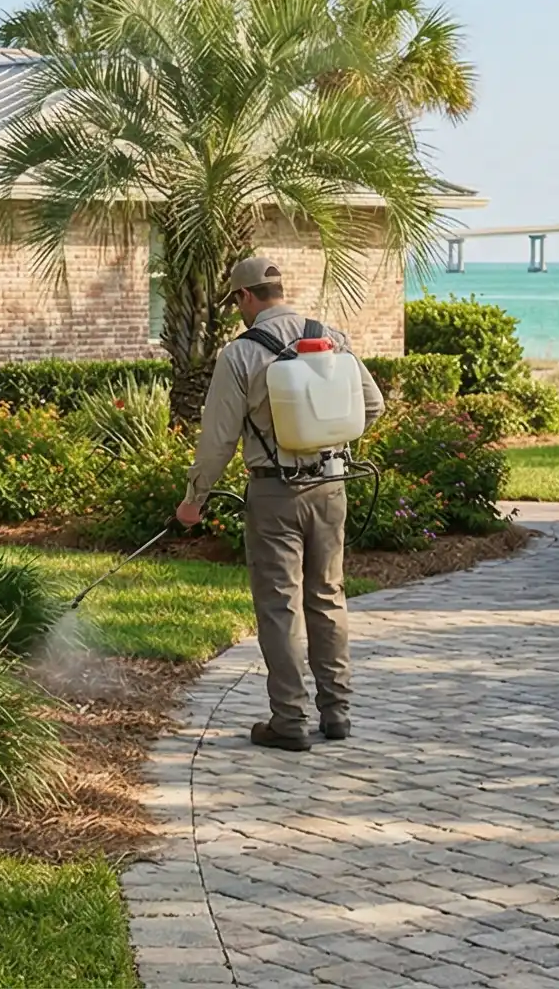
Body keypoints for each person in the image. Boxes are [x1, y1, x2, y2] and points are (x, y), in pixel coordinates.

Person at [176, 255, 386, 751]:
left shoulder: (241, 354)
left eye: (236, 301)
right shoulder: (330, 337)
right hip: (332, 488)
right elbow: (372, 405)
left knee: (279, 607)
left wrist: (193, 500)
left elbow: (218, 441)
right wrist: (330, 442)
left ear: (245, 297)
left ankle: (289, 721)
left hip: (274, 492)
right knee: (328, 597)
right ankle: (337, 714)